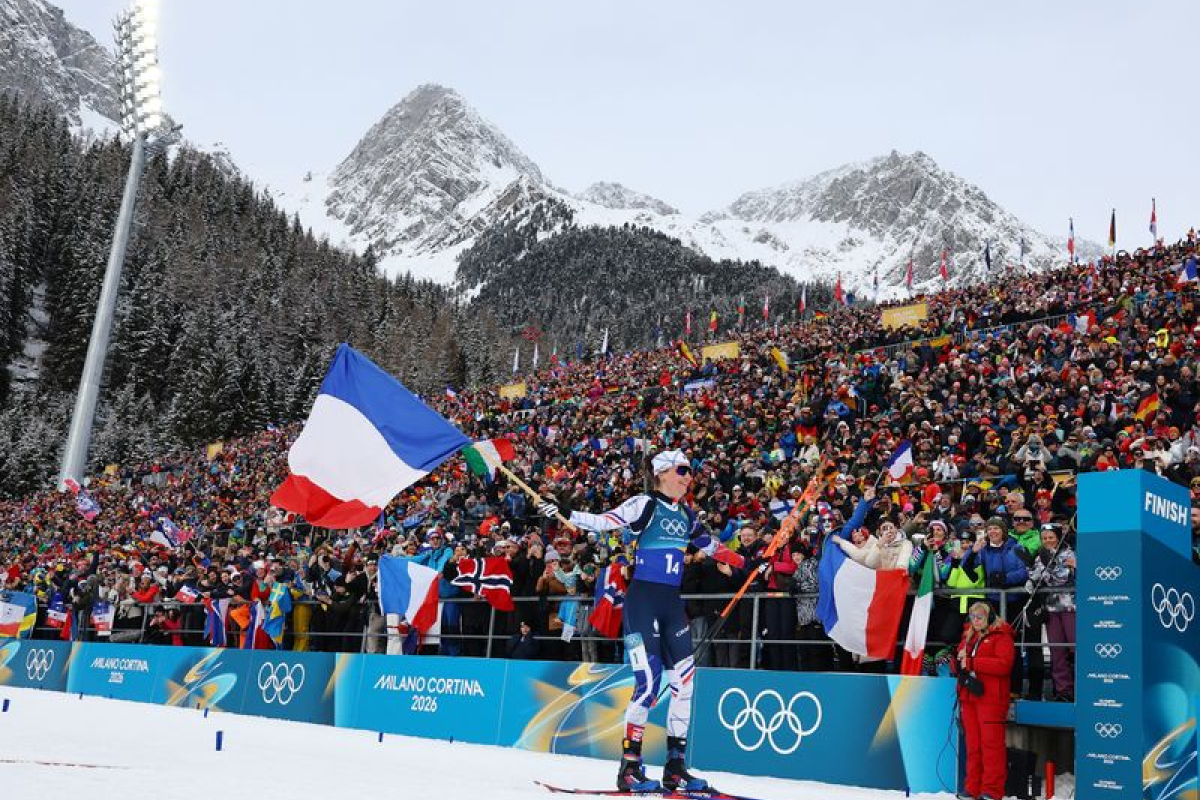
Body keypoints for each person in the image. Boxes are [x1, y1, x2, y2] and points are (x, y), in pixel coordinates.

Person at [538, 449, 740, 793]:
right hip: (642, 604)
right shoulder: (645, 504)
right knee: (649, 682)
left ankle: (676, 768)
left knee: (686, 684)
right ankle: (629, 766)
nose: (688, 476)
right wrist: (565, 512)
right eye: (682, 470)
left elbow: (710, 546)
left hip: (672, 606)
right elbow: (605, 521)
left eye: (690, 471)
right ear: (662, 473)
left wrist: (747, 562)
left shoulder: (687, 514)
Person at [955, 600, 1015, 800]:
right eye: (972, 617)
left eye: (980, 616)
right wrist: (958, 661)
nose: (976, 620)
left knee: (992, 747)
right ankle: (972, 788)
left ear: (989, 617)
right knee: (973, 746)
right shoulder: (968, 637)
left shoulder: (1002, 636)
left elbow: (1004, 665)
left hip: (991, 699)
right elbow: (960, 664)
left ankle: (991, 790)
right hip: (969, 697)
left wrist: (972, 662)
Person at [1028, 523, 1076, 702]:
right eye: (1044, 538)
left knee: (1074, 647)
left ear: (1058, 537)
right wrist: (1030, 568)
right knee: (1057, 650)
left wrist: (1051, 565)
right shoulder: (1041, 555)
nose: (1047, 541)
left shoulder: (1068, 553)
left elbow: (1062, 578)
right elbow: (1036, 577)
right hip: (1051, 607)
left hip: (1069, 606)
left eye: (1051, 537)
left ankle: (1081, 687)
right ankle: (1063, 691)